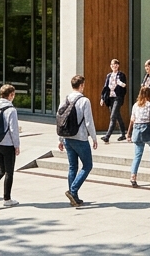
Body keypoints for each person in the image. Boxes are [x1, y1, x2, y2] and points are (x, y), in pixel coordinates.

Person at [58, 74, 97, 206]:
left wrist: (60, 138)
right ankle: (73, 191)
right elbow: (89, 122)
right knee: (87, 165)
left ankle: (73, 197)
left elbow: (60, 120)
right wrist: (94, 137)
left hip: (67, 137)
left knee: (72, 166)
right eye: (83, 85)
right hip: (80, 138)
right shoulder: (84, 101)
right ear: (81, 85)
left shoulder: (65, 99)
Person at [128, 84, 150, 186]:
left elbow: (132, 120)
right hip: (147, 129)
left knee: (137, 155)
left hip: (136, 130)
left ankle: (133, 176)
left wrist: (128, 133)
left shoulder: (135, 105)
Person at [100, 58, 128, 143]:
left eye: (115, 64)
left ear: (118, 65)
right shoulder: (109, 75)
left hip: (118, 98)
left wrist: (120, 83)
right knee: (117, 115)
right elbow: (105, 87)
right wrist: (102, 98)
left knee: (112, 116)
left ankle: (107, 136)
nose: (114, 66)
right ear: (110, 66)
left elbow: (124, 86)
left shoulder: (121, 75)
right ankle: (123, 134)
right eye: (112, 65)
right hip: (110, 98)